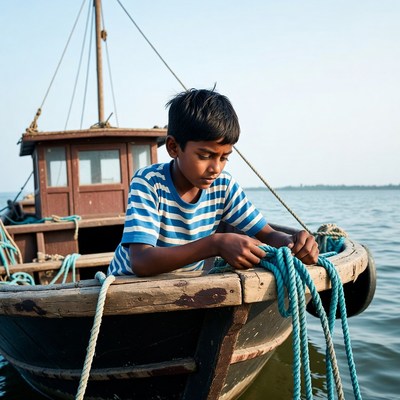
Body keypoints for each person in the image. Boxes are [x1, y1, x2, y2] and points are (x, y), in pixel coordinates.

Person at [108, 88, 319, 277]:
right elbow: (142, 262)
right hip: (126, 285)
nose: (215, 168)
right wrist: (215, 244)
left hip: (180, 287)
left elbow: (268, 234)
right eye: (205, 156)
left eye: (224, 157)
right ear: (173, 147)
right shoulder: (149, 183)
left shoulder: (223, 187)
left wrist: (294, 242)